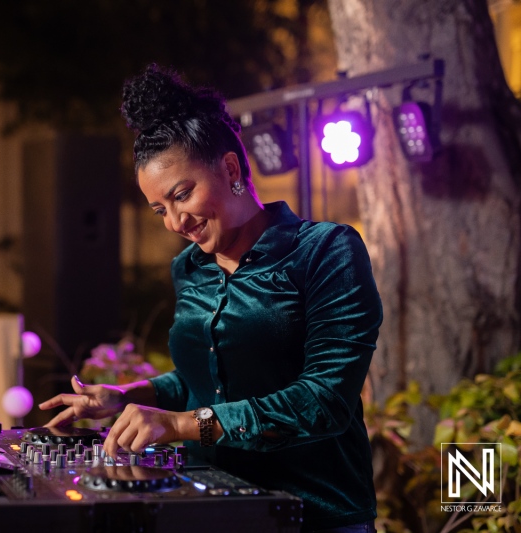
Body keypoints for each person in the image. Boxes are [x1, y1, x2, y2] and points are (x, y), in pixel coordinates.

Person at [39, 64, 383, 533]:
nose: (175, 222)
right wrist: (123, 397)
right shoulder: (190, 268)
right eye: (160, 209)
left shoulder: (325, 250)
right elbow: (204, 379)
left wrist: (180, 426)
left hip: (313, 513)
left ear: (231, 168)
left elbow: (324, 402)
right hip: (209, 504)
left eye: (182, 195)